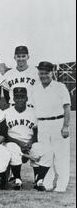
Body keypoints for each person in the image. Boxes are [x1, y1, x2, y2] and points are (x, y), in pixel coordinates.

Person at [31, 61, 71, 193]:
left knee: (61, 155)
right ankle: (47, 183)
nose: (43, 76)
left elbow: (67, 107)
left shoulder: (60, 87)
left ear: (52, 72)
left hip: (57, 123)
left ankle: (61, 185)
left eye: (46, 73)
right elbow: (35, 109)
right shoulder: (35, 88)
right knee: (46, 155)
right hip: (42, 124)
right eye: (41, 73)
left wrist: (65, 126)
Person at [4, 87, 49, 191]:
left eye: (22, 97)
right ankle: (17, 179)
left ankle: (39, 180)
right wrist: (19, 143)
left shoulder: (33, 112)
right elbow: (4, 135)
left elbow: (36, 133)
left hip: (29, 143)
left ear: (27, 98)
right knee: (13, 148)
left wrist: (31, 142)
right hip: (13, 142)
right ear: (13, 99)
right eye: (17, 97)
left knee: (44, 150)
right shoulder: (6, 113)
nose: (20, 99)